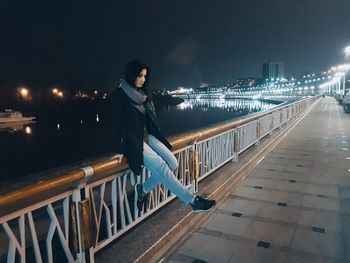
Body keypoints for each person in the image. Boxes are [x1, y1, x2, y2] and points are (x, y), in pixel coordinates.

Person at [110, 60, 216, 213]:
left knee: (172, 162)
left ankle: (143, 189)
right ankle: (192, 200)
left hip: (147, 136)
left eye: (145, 76)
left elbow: (149, 120)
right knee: (160, 165)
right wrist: (120, 149)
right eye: (139, 75)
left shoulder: (142, 94)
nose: (142, 79)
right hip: (134, 140)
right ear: (131, 74)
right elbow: (117, 124)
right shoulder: (119, 95)